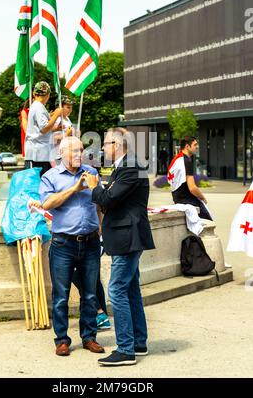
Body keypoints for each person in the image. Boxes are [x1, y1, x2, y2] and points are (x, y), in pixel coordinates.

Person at [83, 127, 155, 367]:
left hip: (128, 237)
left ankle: (125, 349)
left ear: (119, 145)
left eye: (106, 144)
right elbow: (111, 199)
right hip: (127, 236)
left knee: (116, 290)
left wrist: (95, 185)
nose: (103, 148)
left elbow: (107, 200)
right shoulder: (126, 166)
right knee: (131, 289)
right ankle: (138, 342)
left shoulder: (130, 166)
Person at [36, 136, 105, 357]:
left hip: (91, 242)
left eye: (81, 150)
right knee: (61, 295)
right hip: (63, 243)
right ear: (62, 153)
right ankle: (62, 340)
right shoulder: (51, 176)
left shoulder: (91, 173)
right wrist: (74, 189)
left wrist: (101, 227)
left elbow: (100, 203)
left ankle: (89, 337)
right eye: (74, 151)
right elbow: (47, 204)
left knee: (91, 293)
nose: (79, 154)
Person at [167, 136, 212, 220]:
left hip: (177, 199)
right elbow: (192, 188)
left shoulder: (177, 159)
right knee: (208, 220)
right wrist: (203, 198)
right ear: (187, 146)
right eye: (195, 145)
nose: (197, 147)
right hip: (188, 200)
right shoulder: (186, 161)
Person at [24, 81, 62, 177]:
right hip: (37, 154)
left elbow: (40, 129)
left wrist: (54, 127)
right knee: (38, 183)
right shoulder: (39, 107)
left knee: (43, 182)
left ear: (34, 93)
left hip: (40, 153)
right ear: (48, 95)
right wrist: (56, 115)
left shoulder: (36, 106)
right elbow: (44, 128)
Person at [51, 95, 75, 166]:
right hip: (58, 155)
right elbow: (52, 138)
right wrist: (67, 134)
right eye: (68, 107)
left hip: (67, 153)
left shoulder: (67, 118)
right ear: (60, 107)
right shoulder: (57, 119)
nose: (70, 110)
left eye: (71, 108)